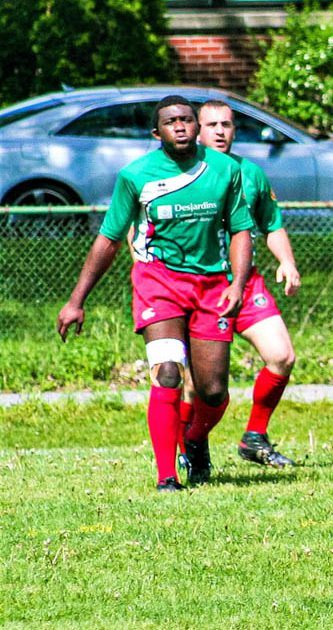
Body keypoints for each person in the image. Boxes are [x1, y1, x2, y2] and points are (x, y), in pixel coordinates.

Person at [56, 95, 253, 491]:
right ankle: (167, 476)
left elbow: (240, 230)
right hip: (157, 282)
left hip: (212, 284)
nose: (180, 126)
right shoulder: (135, 175)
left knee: (213, 392)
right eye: (170, 121)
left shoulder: (225, 169)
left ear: (197, 127)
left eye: (186, 120)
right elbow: (109, 239)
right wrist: (77, 300)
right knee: (167, 372)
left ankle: (194, 439)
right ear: (156, 132)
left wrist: (237, 283)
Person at [185, 99, 301, 472]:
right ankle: (193, 445)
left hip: (245, 285)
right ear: (196, 129)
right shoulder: (183, 173)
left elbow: (272, 225)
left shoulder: (251, 173)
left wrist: (287, 261)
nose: (220, 131)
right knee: (196, 385)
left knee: (282, 356)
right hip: (198, 288)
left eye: (227, 124)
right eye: (212, 124)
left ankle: (254, 437)